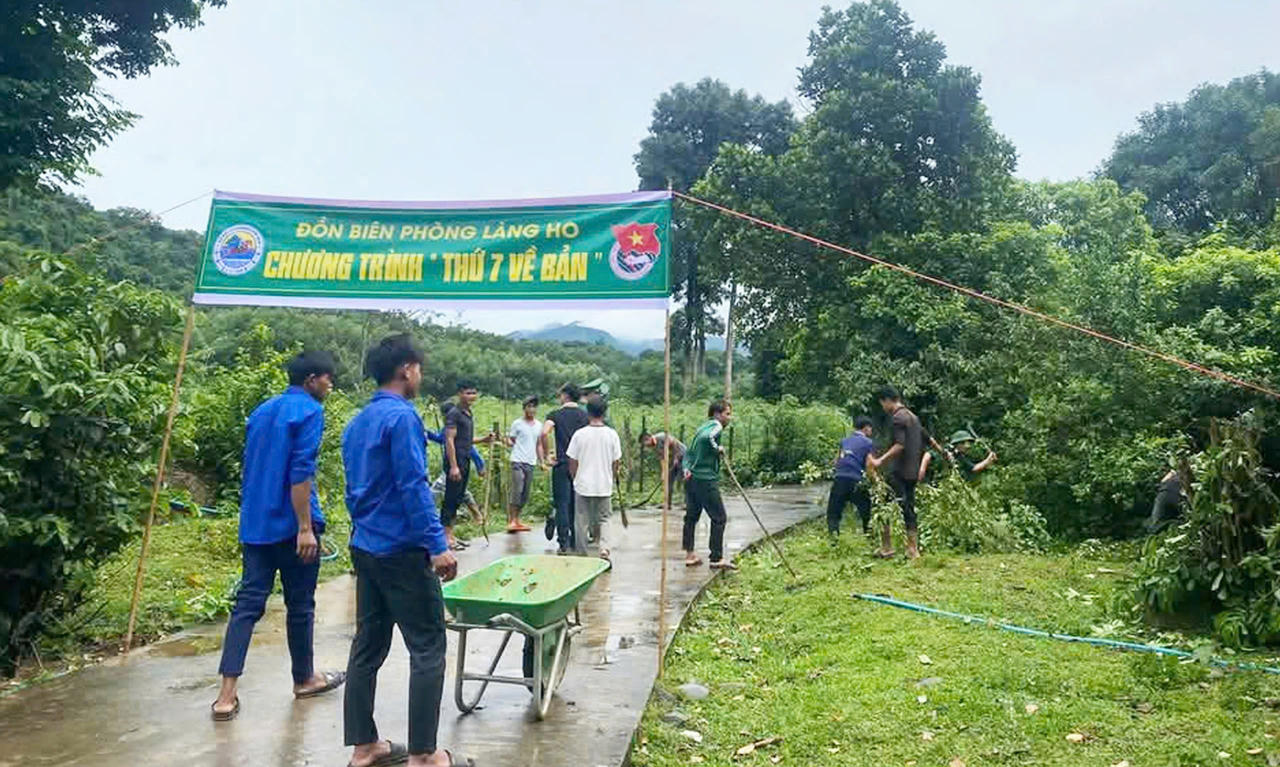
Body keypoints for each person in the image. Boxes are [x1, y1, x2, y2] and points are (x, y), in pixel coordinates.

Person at [341, 334, 470, 767]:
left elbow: (354, 489)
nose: (420, 375)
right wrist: (437, 545)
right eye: (419, 368)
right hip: (402, 551)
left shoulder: (358, 422)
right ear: (406, 370)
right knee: (429, 646)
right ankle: (424, 755)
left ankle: (364, 746)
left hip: (366, 547)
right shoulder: (402, 418)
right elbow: (412, 486)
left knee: (368, 644)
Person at [212, 351, 346, 721]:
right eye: (327, 379)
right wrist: (305, 527)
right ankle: (304, 679)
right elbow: (300, 473)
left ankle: (226, 696)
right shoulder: (309, 412)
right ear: (311, 381)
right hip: (292, 526)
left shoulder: (261, 411)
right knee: (300, 606)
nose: (330, 385)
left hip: (256, 524)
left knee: (247, 606)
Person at [869, 386, 924, 559]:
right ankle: (913, 549)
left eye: (882, 403)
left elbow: (899, 445)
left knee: (885, 505)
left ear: (887, 400)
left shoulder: (897, 418)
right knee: (908, 507)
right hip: (912, 471)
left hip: (898, 471)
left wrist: (879, 460)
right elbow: (926, 439)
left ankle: (887, 547)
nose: (883, 407)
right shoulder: (913, 417)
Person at [565, 394, 622, 560]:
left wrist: (575, 478)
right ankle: (604, 549)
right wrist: (611, 476)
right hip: (604, 483)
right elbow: (616, 462)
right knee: (604, 518)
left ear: (588, 413)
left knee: (581, 519)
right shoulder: (612, 435)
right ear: (604, 413)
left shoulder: (579, 435)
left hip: (582, 484)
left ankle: (582, 553)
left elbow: (572, 461)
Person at [682, 399, 736, 570]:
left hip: (692, 479)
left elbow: (688, 453)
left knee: (691, 517)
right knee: (719, 517)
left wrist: (686, 468)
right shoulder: (715, 427)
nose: (729, 417)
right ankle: (716, 558)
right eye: (727, 414)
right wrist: (718, 448)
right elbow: (710, 438)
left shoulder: (701, 428)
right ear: (717, 414)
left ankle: (690, 555)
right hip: (705, 480)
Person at [442, 380, 494, 551]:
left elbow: (465, 440)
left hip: (465, 460)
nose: (471, 396)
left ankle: (451, 534)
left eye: (474, 393)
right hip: (455, 462)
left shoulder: (468, 413)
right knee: (451, 499)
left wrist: (484, 439)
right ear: (460, 394)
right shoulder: (454, 414)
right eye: (468, 393)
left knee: (458, 498)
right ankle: (446, 538)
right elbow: (449, 439)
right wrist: (453, 466)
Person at [430, 402, 486, 549]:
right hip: (452, 469)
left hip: (458, 467)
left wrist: (480, 464)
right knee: (451, 499)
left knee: (455, 499)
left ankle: (448, 535)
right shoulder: (450, 428)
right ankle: (446, 534)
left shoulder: (456, 427)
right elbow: (442, 438)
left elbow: (469, 448)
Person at [542, 383, 589, 554]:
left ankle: (563, 543)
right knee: (577, 504)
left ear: (565, 395)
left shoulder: (555, 414)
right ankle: (576, 540)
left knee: (562, 504)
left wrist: (547, 455)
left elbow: (544, 432)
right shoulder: (585, 416)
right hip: (580, 465)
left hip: (562, 464)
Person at [827, 415, 876, 540]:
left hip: (840, 479)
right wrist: (875, 482)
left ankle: (834, 539)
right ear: (866, 428)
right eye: (871, 429)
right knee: (866, 510)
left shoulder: (844, 441)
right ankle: (869, 537)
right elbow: (869, 465)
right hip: (856, 480)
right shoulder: (868, 443)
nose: (871, 432)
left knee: (833, 512)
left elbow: (837, 461)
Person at [505, 396, 542, 533]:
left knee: (525, 493)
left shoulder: (539, 425)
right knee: (517, 489)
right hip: (517, 460)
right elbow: (511, 440)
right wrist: (507, 441)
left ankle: (517, 519)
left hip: (530, 461)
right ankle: (512, 520)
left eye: (533, 407)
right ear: (524, 408)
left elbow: (539, 445)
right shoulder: (517, 424)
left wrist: (542, 461)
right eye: (528, 406)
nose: (531, 409)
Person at [643, 430, 686, 498]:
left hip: (682, 455)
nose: (647, 446)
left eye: (646, 444)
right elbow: (662, 459)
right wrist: (663, 473)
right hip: (672, 459)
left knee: (683, 478)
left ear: (649, 438)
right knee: (668, 480)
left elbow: (674, 442)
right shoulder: (655, 446)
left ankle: (687, 503)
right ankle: (667, 503)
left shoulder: (661, 436)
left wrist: (676, 457)